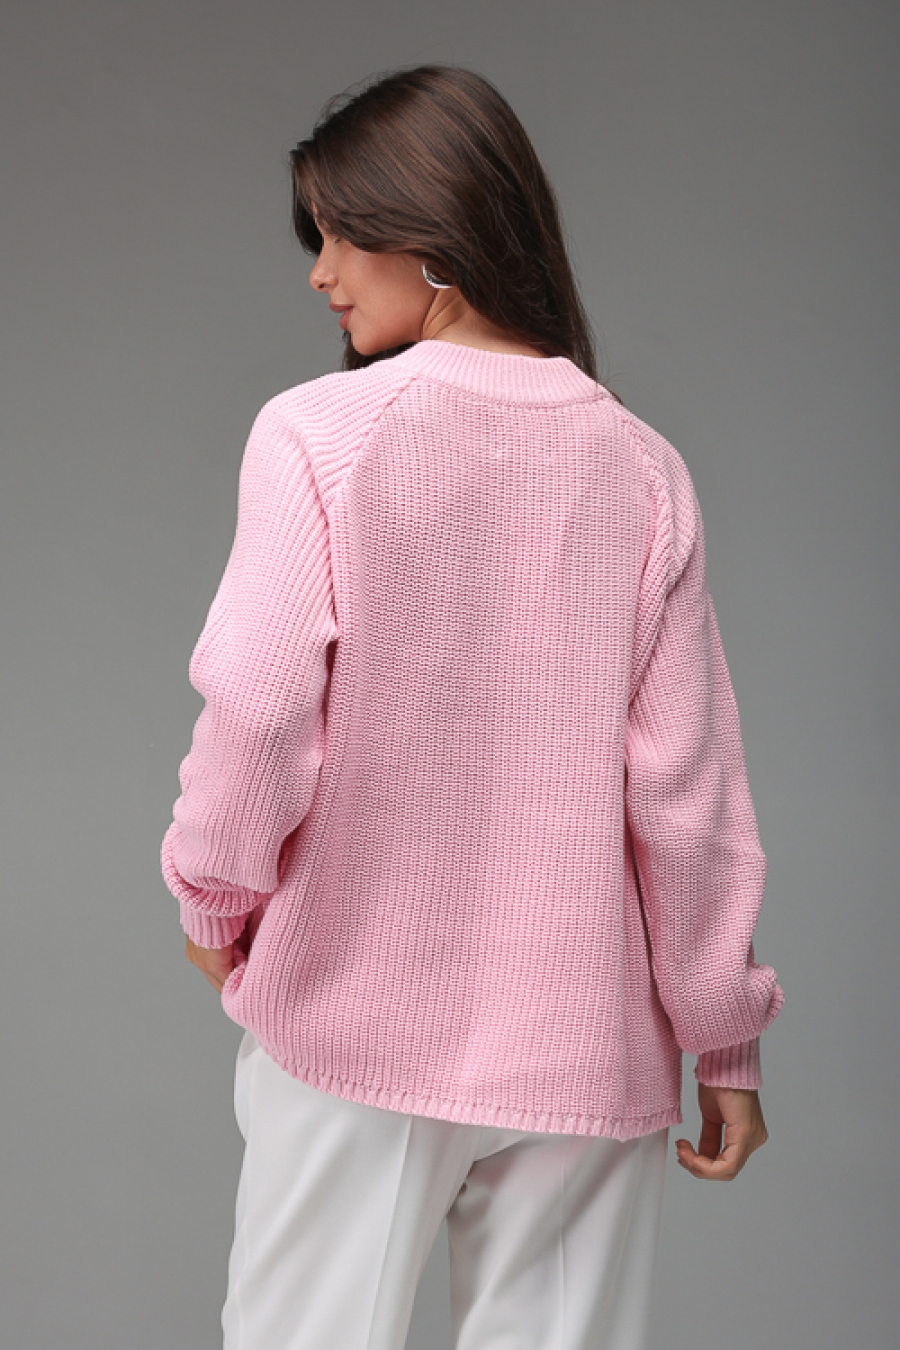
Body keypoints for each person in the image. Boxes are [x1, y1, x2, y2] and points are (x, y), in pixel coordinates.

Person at [161, 63, 783, 1350]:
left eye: (341, 233)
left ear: (432, 239)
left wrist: (213, 898)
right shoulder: (644, 469)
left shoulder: (319, 436)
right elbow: (689, 797)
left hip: (354, 1025)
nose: (321, 273)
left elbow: (260, 710)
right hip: (585, 1052)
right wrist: (722, 1040)